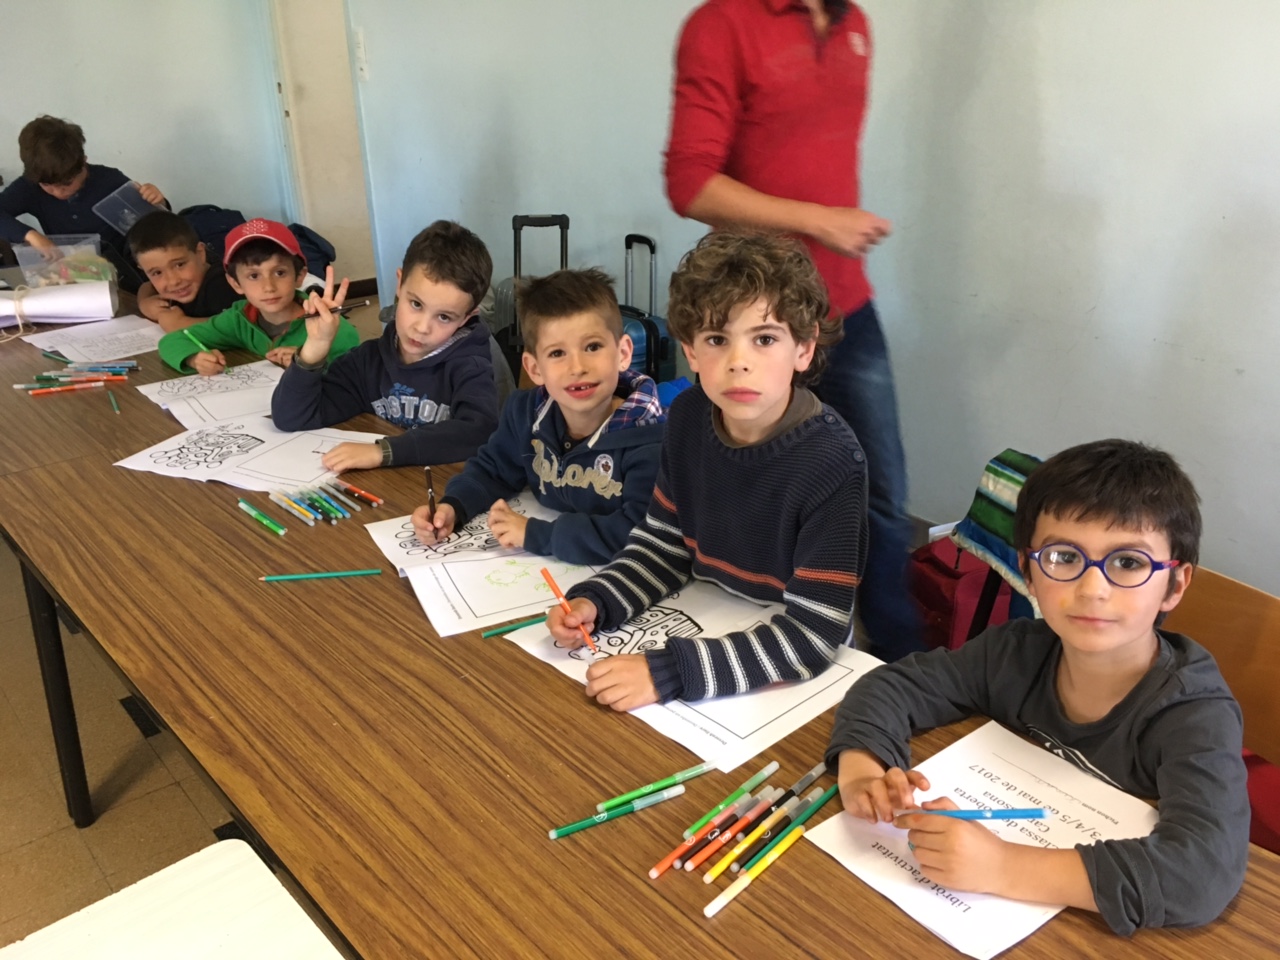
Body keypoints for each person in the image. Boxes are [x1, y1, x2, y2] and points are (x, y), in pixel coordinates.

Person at [827, 439, 1249, 934]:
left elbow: (1200, 875)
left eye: (1128, 563)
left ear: (1174, 585)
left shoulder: (1194, 713)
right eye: (1064, 557)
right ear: (1028, 572)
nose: (1092, 589)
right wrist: (863, 767)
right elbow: (893, 687)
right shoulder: (1015, 650)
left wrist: (1002, 867)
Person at [663, 0, 923, 661]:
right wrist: (818, 220)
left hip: (845, 305)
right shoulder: (721, 25)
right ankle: (772, 639)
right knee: (744, 485)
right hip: (757, 320)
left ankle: (901, 669)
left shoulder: (853, 24)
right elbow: (691, 183)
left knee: (884, 500)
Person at [547, 232, 867, 710]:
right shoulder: (688, 418)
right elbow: (663, 546)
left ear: (803, 348)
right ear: (692, 352)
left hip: (796, 678)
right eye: (717, 339)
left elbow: (815, 633)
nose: (738, 363)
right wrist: (598, 600)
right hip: (708, 614)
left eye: (764, 339)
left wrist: (670, 673)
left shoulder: (832, 461)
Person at [411, 268, 664, 565]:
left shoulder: (651, 442)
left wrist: (537, 535)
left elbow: (641, 533)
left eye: (592, 347)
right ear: (534, 369)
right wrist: (454, 507)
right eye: (557, 353)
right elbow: (493, 470)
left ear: (623, 353)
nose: (577, 367)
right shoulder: (525, 414)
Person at [271, 220, 499, 472]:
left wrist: (384, 451)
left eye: (444, 317)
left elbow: (478, 431)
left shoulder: (470, 367)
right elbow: (291, 417)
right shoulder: (368, 362)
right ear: (399, 284)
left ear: (467, 317)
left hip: (440, 487)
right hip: (389, 486)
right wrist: (316, 346)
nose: (422, 327)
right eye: (416, 304)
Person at [157, 219, 357, 375]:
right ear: (235, 283)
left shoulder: (331, 327)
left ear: (300, 276)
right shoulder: (240, 318)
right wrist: (194, 358)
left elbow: (357, 379)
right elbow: (172, 340)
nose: (268, 287)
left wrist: (309, 363)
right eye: (254, 276)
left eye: (279, 273)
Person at [0, 116, 167, 293]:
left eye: (67, 184)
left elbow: (155, 223)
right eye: (47, 186)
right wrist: (31, 236)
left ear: (84, 162)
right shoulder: (30, 187)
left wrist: (157, 201)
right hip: (72, 278)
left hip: (125, 278)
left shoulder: (109, 180)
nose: (58, 192)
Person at [127, 211, 239, 331]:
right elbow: (146, 286)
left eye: (179, 265)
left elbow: (240, 325)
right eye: (157, 273)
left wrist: (181, 324)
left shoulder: (223, 285)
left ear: (200, 253)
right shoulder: (183, 285)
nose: (173, 281)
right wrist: (144, 304)